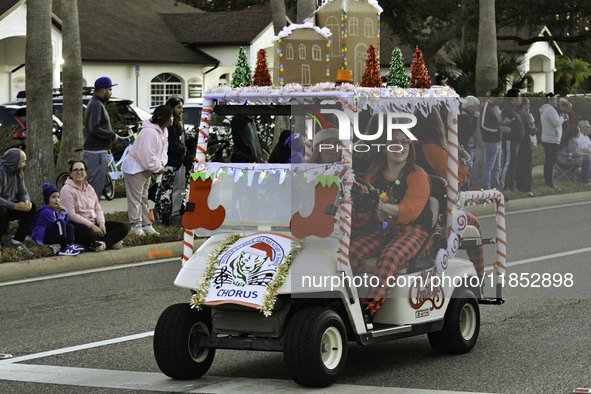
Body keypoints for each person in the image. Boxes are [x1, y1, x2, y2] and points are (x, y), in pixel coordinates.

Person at [349, 129, 433, 326]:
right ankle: (342, 303)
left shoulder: (417, 176)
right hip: (382, 231)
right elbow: (366, 219)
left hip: (414, 232)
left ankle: (369, 310)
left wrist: (380, 205)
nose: (400, 147)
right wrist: (356, 210)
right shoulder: (372, 177)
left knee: (390, 256)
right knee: (350, 251)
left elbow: (409, 212)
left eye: (404, 142)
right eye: (394, 142)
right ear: (384, 148)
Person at [412, 109, 485, 279]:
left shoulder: (407, 148)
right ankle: (480, 277)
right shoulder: (434, 150)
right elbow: (454, 182)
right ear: (437, 125)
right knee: (475, 223)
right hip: (438, 214)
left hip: (415, 209)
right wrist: (466, 162)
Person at [122, 105, 172, 236]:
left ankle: (146, 224)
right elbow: (146, 155)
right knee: (135, 198)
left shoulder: (164, 131)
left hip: (147, 169)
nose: (173, 118)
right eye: (171, 116)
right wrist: (157, 168)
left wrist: (161, 164)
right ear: (165, 118)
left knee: (144, 198)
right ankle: (135, 225)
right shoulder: (149, 132)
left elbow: (164, 151)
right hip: (135, 168)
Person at [60, 160, 128, 251]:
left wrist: (101, 223)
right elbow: (71, 215)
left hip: (94, 223)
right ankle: (108, 242)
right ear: (71, 174)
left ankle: (102, 243)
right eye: (76, 170)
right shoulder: (66, 190)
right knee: (85, 232)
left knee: (123, 227)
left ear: (85, 173)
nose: (79, 172)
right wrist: (92, 226)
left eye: (81, 170)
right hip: (80, 225)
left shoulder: (90, 188)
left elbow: (98, 208)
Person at [83, 77, 119, 199]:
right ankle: (92, 217)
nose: (111, 92)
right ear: (103, 90)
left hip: (97, 151)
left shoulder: (96, 103)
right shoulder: (96, 104)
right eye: (110, 89)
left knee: (95, 190)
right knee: (94, 191)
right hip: (95, 153)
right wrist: (112, 135)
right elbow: (94, 128)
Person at [155, 96, 187, 227]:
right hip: (169, 163)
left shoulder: (175, 123)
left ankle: (164, 217)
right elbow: (172, 144)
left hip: (171, 162)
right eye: (178, 107)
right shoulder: (171, 125)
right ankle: (165, 220)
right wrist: (182, 150)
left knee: (164, 191)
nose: (181, 111)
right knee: (166, 192)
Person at [0, 148, 35, 256]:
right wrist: (14, 206)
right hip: (2, 208)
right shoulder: (1, 172)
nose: (24, 164)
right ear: (14, 162)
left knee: (32, 208)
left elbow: (23, 191)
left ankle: (17, 241)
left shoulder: (18, 173)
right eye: (23, 161)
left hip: (9, 207)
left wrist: (26, 201)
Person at [31, 183, 82, 256]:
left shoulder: (53, 211)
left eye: (58, 197)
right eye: (53, 197)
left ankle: (71, 244)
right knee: (60, 222)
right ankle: (64, 248)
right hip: (44, 237)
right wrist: (61, 216)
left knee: (70, 226)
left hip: (53, 236)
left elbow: (64, 225)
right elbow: (56, 225)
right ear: (47, 198)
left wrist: (64, 212)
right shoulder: (45, 211)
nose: (57, 200)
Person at [480, 88, 511, 190]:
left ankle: (495, 189)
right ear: (493, 97)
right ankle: (486, 188)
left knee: (497, 167)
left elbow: (495, 123)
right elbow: (484, 125)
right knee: (489, 166)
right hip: (490, 142)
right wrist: (499, 128)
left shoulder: (496, 107)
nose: (501, 100)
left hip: (497, 141)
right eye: (499, 98)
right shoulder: (486, 107)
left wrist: (503, 123)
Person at [500, 88, 525, 191]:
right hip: (510, 140)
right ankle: (503, 185)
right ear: (513, 98)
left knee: (512, 163)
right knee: (508, 162)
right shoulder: (507, 109)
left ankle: (510, 184)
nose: (521, 99)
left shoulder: (513, 109)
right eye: (519, 97)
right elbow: (504, 123)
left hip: (515, 141)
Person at [540, 93, 565, 190]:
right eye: (555, 99)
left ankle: (548, 180)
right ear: (549, 100)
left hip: (549, 139)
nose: (556, 101)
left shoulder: (546, 109)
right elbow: (556, 122)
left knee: (549, 161)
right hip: (551, 140)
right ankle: (549, 182)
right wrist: (562, 117)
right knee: (550, 162)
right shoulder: (550, 109)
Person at [515, 97, 537, 196]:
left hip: (517, 140)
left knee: (519, 164)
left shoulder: (516, 113)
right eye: (528, 104)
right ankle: (527, 187)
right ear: (524, 105)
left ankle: (519, 185)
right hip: (525, 140)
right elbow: (532, 131)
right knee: (527, 165)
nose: (529, 106)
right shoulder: (526, 115)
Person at [458, 96, 480, 191]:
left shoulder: (468, 117)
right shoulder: (463, 117)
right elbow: (470, 130)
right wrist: (475, 119)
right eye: (475, 106)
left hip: (472, 147)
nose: (476, 109)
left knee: (472, 172)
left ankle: (469, 192)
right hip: (467, 148)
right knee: (467, 172)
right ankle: (465, 193)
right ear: (469, 107)